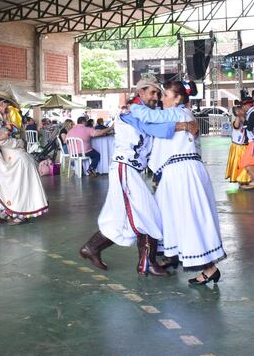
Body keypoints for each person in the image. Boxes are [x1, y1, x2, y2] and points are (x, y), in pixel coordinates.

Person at [79, 76, 197, 276]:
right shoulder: (130, 112)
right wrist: (183, 126)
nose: (156, 97)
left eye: (159, 93)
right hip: (125, 168)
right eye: (152, 92)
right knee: (149, 214)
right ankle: (146, 262)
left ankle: (93, 248)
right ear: (141, 92)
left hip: (132, 170)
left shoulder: (147, 112)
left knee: (125, 218)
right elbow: (150, 128)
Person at [147, 80, 226, 285]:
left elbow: (147, 121)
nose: (160, 99)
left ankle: (209, 268)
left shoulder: (174, 114)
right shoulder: (184, 115)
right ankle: (172, 255)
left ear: (178, 98)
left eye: (165, 95)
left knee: (188, 217)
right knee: (171, 214)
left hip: (182, 172)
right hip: (182, 170)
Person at [0, 94, 48, 224]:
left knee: (18, 186)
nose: (8, 108)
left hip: (16, 157)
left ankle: (19, 212)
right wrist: (18, 143)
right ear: (2, 103)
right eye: (8, 104)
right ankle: (18, 212)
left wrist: (17, 141)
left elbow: (0, 136)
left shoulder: (2, 120)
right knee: (19, 186)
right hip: (16, 156)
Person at [225, 106, 249, 184]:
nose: (243, 110)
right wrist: (239, 116)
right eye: (240, 110)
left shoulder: (246, 119)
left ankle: (245, 177)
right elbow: (236, 126)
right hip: (238, 146)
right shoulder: (236, 120)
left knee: (246, 163)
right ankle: (238, 177)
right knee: (238, 163)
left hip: (245, 145)